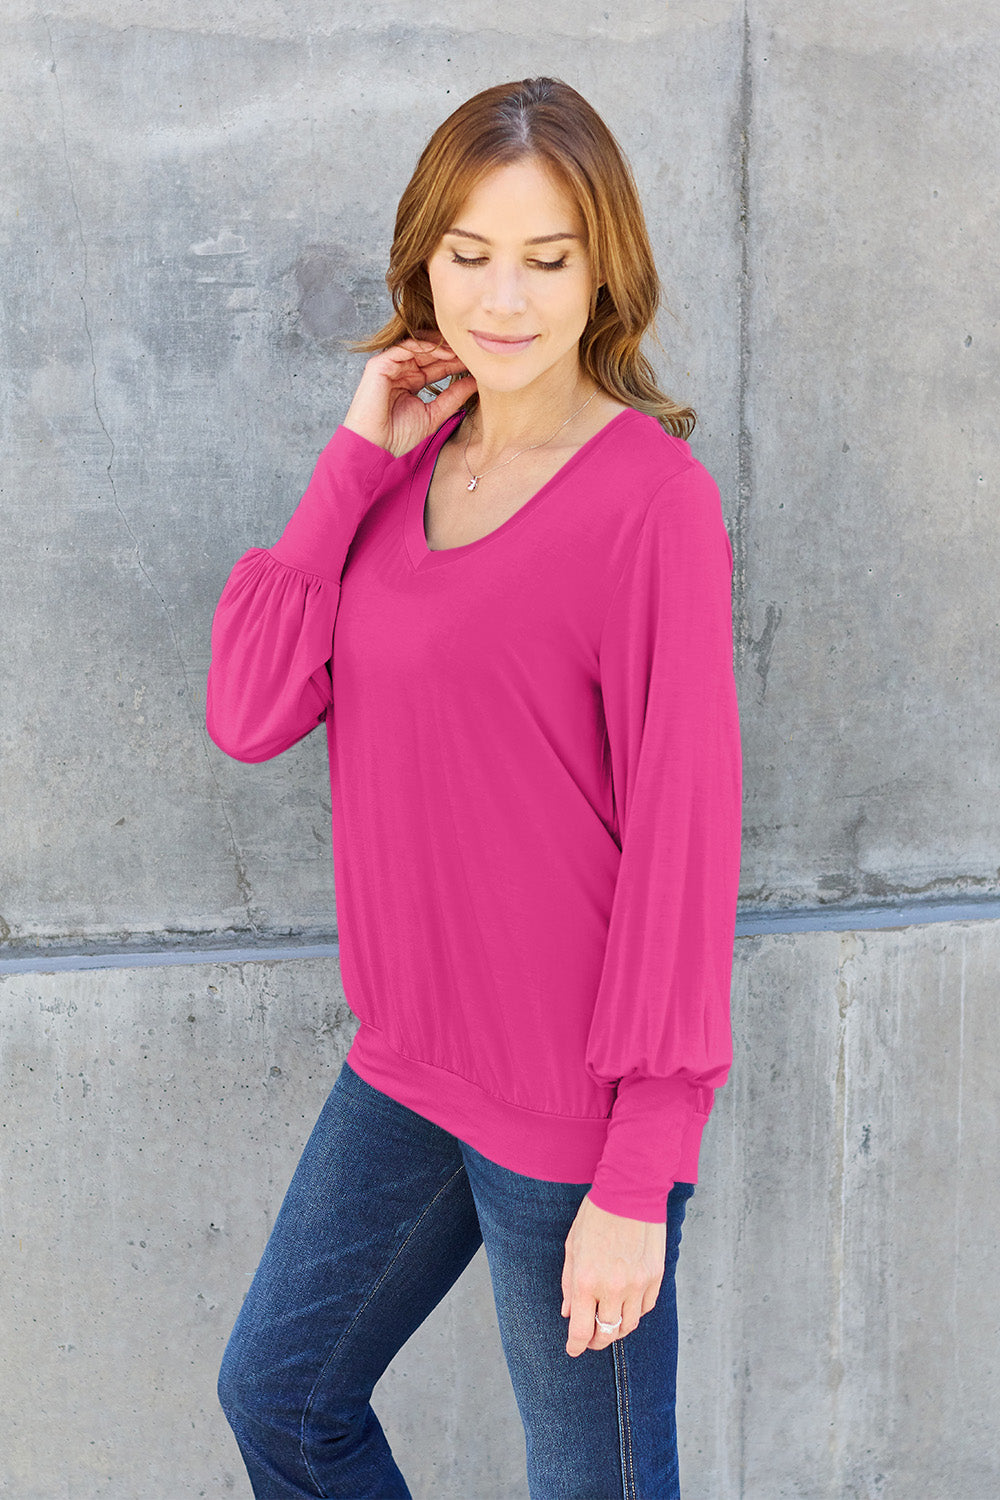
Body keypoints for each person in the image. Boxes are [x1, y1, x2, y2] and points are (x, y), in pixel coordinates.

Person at [207, 75, 742, 1500]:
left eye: (546, 259)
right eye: (469, 254)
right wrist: (347, 465)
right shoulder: (400, 471)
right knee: (280, 1396)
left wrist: (640, 1174)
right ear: (423, 261)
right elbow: (252, 713)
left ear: (603, 271)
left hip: (572, 1112)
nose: (503, 299)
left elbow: (684, 843)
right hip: (408, 1069)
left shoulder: (652, 506)